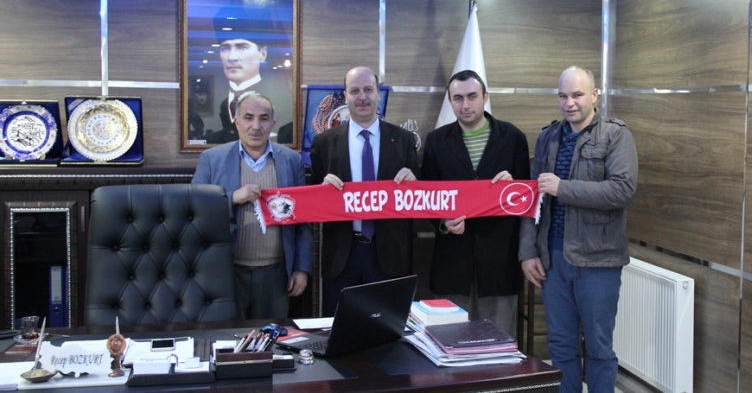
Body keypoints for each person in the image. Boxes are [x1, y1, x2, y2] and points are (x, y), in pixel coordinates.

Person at [519, 66, 638, 393]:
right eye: (563, 96)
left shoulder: (616, 135)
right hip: (552, 259)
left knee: (599, 347)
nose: (569, 103)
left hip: (599, 260)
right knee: (560, 344)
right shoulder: (548, 136)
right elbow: (531, 198)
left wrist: (564, 188)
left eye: (577, 95)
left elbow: (622, 190)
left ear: (595, 95)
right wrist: (528, 252)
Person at [420, 69, 529, 337]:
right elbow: (427, 199)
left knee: (498, 348)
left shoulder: (513, 138)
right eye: (458, 98)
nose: (465, 105)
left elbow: (528, 200)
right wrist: (443, 221)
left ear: (485, 97)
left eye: (472, 96)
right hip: (452, 266)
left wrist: (514, 187)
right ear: (450, 101)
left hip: (499, 265)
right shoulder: (436, 141)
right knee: (449, 345)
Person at [310, 66, 419, 317]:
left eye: (368, 90)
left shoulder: (403, 140)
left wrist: (415, 183)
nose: (362, 97)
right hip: (342, 256)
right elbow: (311, 201)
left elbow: (421, 197)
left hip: (389, 255)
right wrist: (320, 191)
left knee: (385, 330)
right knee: (339, 328)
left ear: (378, 94)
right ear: (345, 96)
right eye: (355, 91)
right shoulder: (324, 143)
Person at [193, 92, 313, 319]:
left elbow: (303, 220)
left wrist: (302, 268)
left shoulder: (291, 160)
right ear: (236, 122)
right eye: (248, 118)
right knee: (227, 337)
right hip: (227, 271)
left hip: (277, 274)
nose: (256, 126)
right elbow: (193, 209)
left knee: (273, 337)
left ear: (273, 123)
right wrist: (231, 198)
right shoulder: (212, 159)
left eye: (263, 118)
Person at [202, 6, 288, 144]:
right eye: (225, 48)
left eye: (242, 47)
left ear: (262, 53)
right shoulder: (224, 104)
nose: (231, 57)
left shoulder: (282, 99)